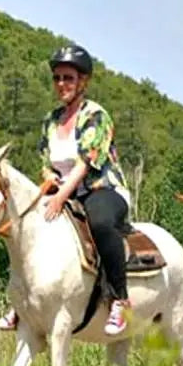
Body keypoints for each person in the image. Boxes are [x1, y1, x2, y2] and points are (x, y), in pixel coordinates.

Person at [39, 44, 133, 336]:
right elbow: (44, 163)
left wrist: (59, 199)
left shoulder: (96, 115)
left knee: (100, 223)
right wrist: (49, 183)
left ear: (83, 82)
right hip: (63, 191)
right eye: (57, 78)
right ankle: (24, 303)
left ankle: (120, 298)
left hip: (101, 190)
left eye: (68, 78)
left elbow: (85, 164)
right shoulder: (51, 121)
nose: (61, 84)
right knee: (22, 223)